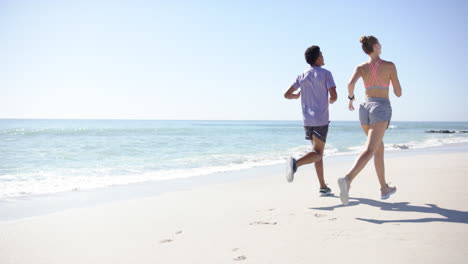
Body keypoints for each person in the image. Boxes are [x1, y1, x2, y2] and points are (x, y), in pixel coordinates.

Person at [337, 36, 402, 205]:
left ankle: (384, 188)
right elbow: (398, 92)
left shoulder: (361, 67)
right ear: (376, 46)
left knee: (378, 148)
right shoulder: (389, 66)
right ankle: (347, 179)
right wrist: (391, 80)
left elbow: (350, 84)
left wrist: (351, 98)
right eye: (379, 43)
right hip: (380, 108)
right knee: (370, 148)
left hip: (364, 108)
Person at [284, 45, 337, 196]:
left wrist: (296, 96)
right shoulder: (326, 74)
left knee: (316, 152)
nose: (323, 56)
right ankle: (295, 164)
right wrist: (332, 100)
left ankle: (322, 186)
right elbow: (334, 95)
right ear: (317, 58)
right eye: (322, 54)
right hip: (320, 119)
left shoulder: (302, 76)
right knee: (318, 153)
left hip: (307, 120)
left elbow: (287, 94)